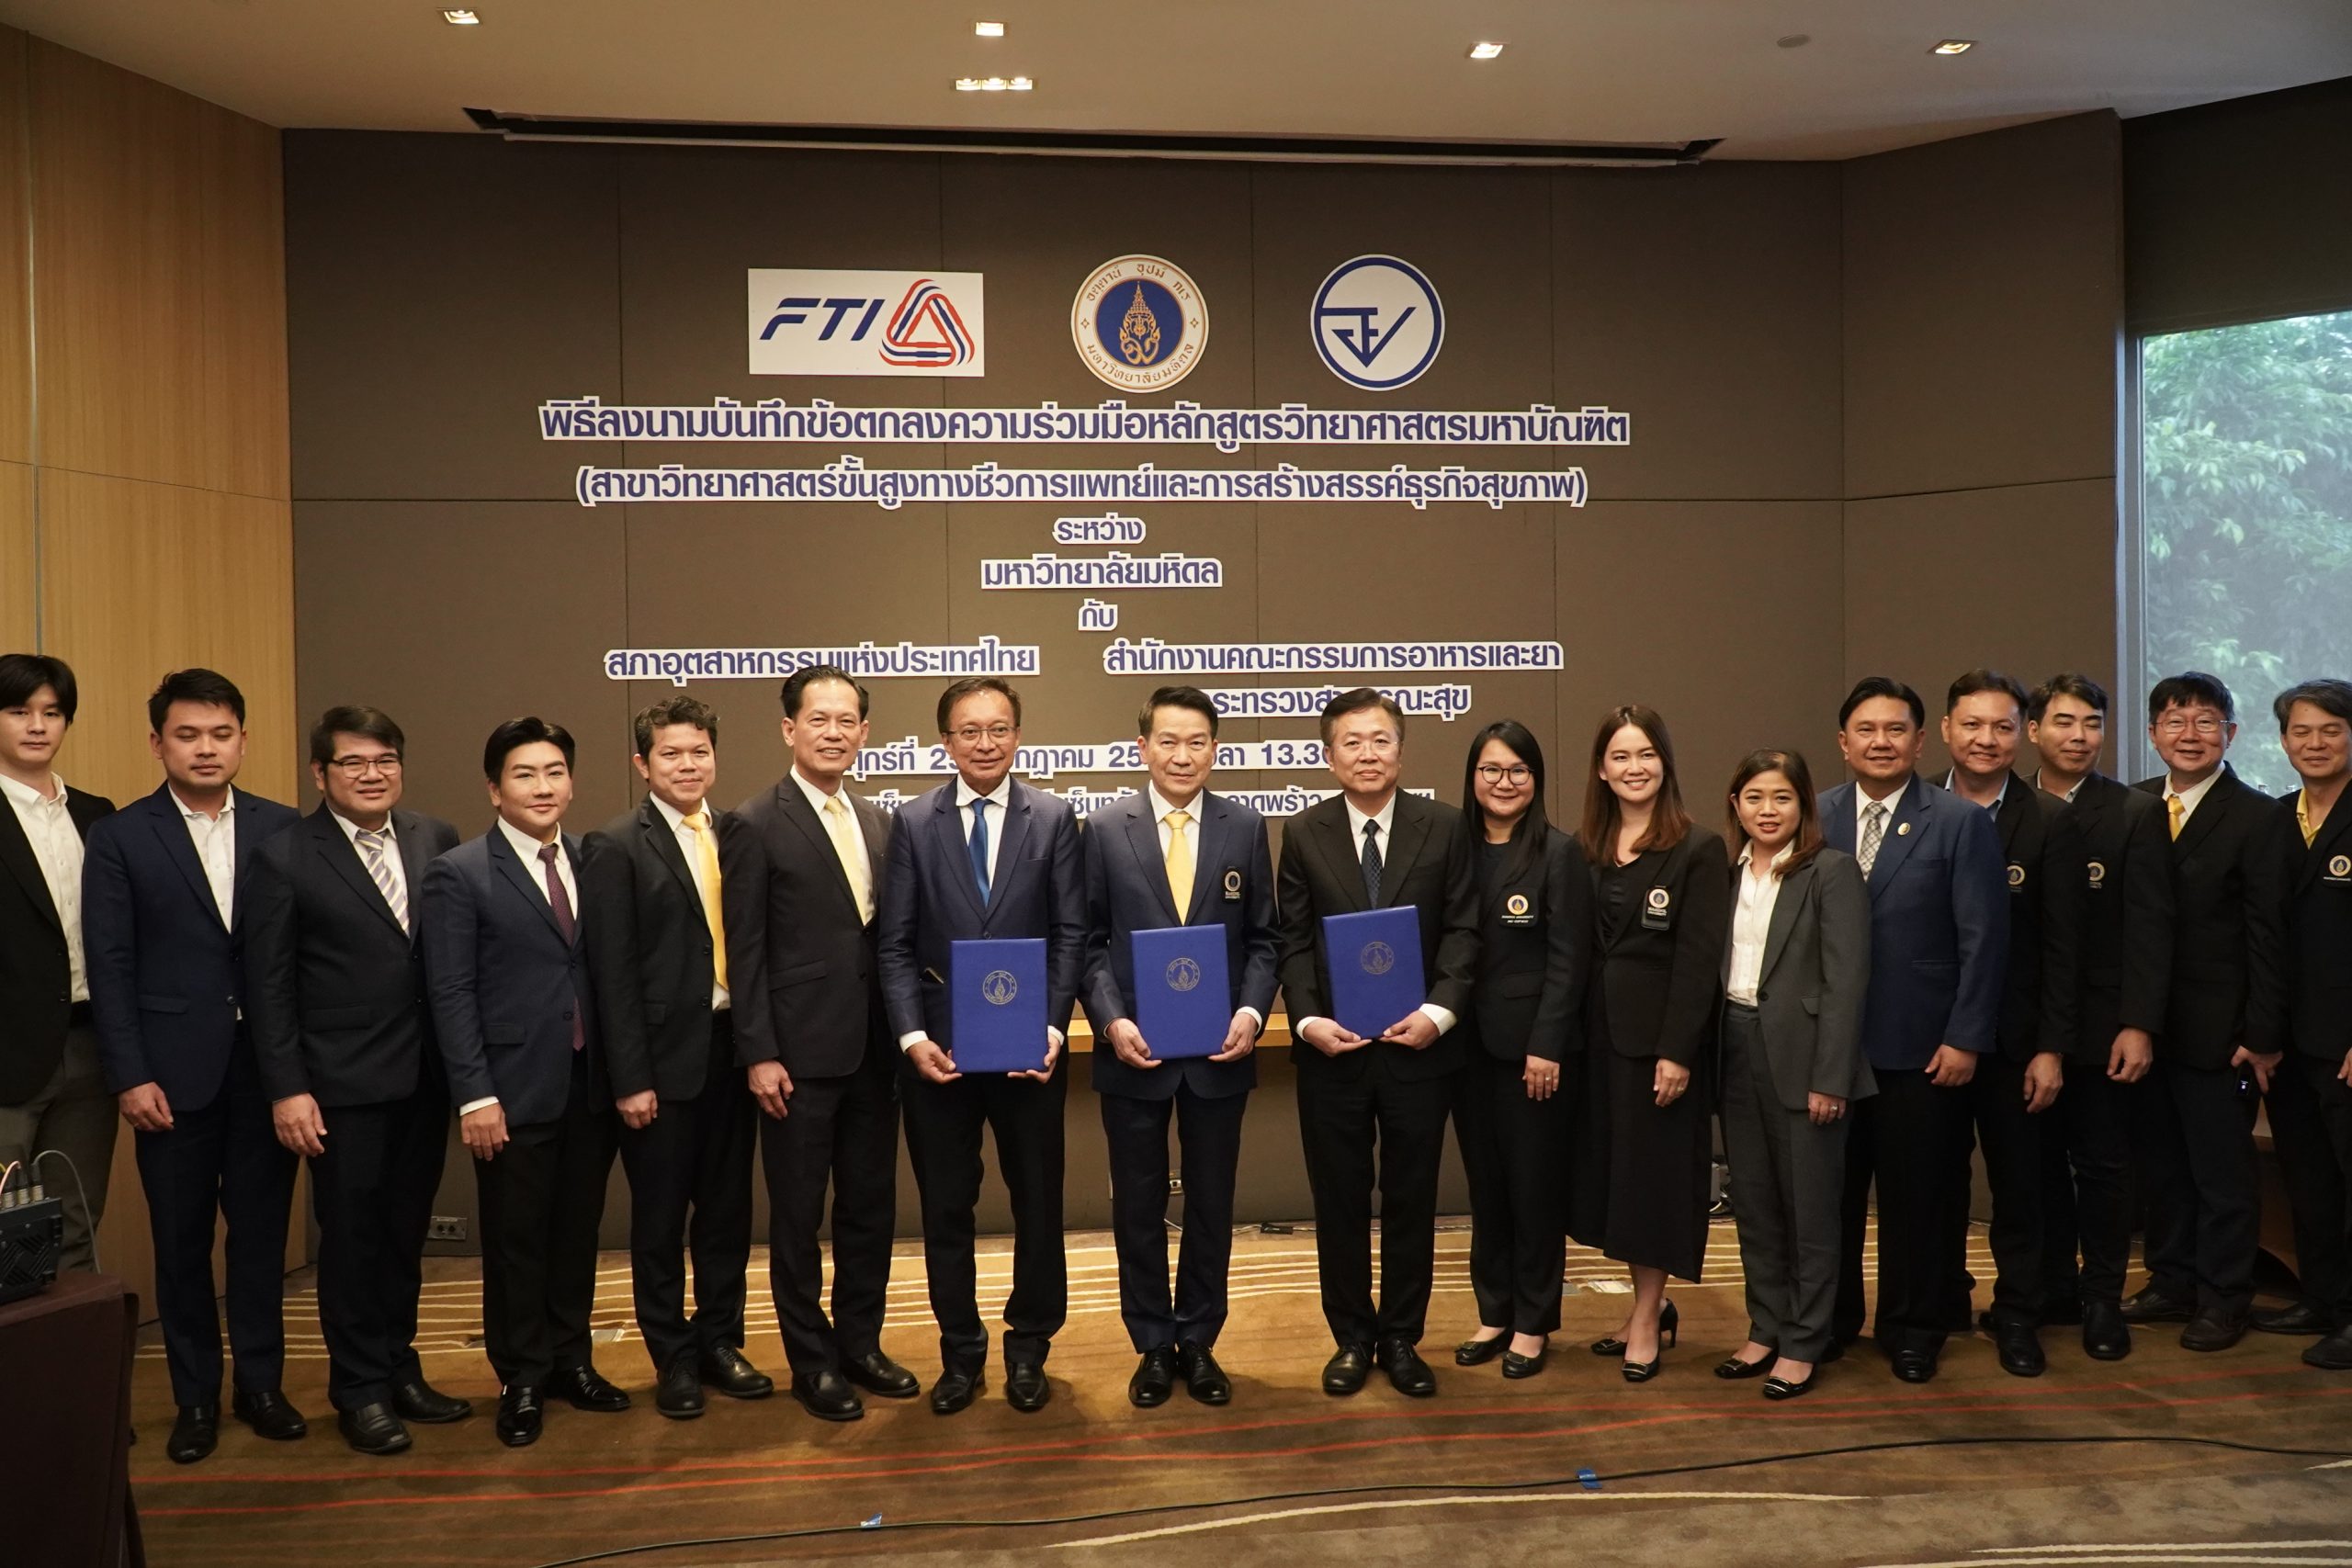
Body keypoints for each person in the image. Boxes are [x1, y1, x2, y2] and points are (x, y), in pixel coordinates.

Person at [83, 669, 302, 1463]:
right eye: (187, 734)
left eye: (220, 733)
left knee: (261, 1237)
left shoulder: (284, 827)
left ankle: (262, 1386)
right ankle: (196, 1398)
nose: (205, 748)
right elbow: (109, 963)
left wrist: (298, 1073)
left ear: (243, 739)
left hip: (266, 1070)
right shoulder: (121, 836)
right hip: (169, 1075)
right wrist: (128, 1073)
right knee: (180, 1245)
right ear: (158, 743)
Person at [243, 706, 469, 1455]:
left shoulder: (434, 836)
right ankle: (359, 1388)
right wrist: (288, 1088)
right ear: (320, 772)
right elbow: (269, 986)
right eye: (353, 762)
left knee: (404, 1234)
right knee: (351, 1239)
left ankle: (401, 1366)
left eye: (385, 760)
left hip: (424, 1076)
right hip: (339, 1085)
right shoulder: (284, 855)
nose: (372, 774)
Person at [877, 677, 1084, 1416]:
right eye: (970, 730)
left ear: (1018, 736)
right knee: (946, 1209)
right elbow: (895, 944)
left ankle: (1030, 1349)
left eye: (999, 728)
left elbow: (1070, 935)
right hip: (940, 1057)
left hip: (1032, 1055)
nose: (986, 743)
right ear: (946, 741)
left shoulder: (1054, 818)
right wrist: (912, 1037)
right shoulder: (913, 822)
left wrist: (1052, 1027)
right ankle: (960, 1353)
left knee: (1039, 1204)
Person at [422, 717, 626, 1448]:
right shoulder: (460, 871)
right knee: (516, 1241)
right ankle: (522, 1377)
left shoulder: (592, 858)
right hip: (508, 1090)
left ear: (571, 781)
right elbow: (450, 991)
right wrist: (475, 1094)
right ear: (494, 788)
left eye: (554, 772)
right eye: (524, 774)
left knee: (576, 1232)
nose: (543, 787)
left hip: (587, 1082)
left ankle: (572, 1359)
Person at [724, 667, 916, 1421]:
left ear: (864, 732)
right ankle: (811, 1361)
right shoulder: (753, 821)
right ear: (789, 729)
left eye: (847, 721)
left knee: (869, 1208)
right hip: (796, 1058)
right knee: (798, 1218)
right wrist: (759, 1052)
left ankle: (860, 1344)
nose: (833, 732)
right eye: (818, 719)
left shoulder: (880, 820)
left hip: (875, 1051)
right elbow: (744, 950)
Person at [1276, 688, 1479, 1399]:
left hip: (1418, 1049)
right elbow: (1293, 940)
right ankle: (1351, 1337)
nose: (1368, 753)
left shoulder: (1445, 826)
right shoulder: (1304, 832)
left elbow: (1464, 929)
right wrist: (1308, 1020)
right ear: (1329, 756)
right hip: (1333, 1051)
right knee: (1338, 1197)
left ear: (1401, 748)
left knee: (1411, 1197)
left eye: (1381, 739)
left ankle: (1400, 1337)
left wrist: (1439, 1013)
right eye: (1352, 742)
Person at [1080, 685, 1278, 1407]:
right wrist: (1111, 1021)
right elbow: (1088, 942)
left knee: (1211, 1202)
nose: (1183, 754)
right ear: (1143, 747)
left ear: (1215, 749)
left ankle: (1198, 1338)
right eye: (1168, 740)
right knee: (1137, 1206)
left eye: (1197, 741)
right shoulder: (1105, 828)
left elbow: (1265, 938)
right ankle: (1151, 1344)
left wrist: (1252, 1012)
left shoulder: (1244, 826)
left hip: (1219, 1054)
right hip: (1134, 1051)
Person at [581, 698, 773, 1422]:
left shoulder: (737, 833)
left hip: (731, 1052)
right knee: (660, 1222)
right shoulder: (615, 844)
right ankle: (674, 1357)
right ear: (643, 763)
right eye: (671, 753)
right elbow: (612, 974)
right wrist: (630, 1078)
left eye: (699, 752)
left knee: (726, 1214)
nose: (687, 765)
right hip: (659, 1065)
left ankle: (721, 1340)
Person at [1821, 676, 2006, 1383]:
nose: (1881, 741)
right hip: (1832, 1050)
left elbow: (1983, 940)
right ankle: (1830, 1320)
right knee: (1832, 1197)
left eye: (1895, 729)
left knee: (1917, 1201)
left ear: (1921, 740)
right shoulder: (1814, 814)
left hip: (1923, 1049)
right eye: (1866, 729)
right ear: (1843, 742)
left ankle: (1912, 1329)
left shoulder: (1959, 821)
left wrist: (1965, 1037)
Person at [1567, 705, 1728, 1382]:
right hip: (1595, 1043)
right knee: (1616, 1182)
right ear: (1602, 771)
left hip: (1659, 1048)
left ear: (1665, 762)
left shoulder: (1698, 849)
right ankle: (1648, 1307)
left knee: (1653, 1184)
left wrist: (1677, 1051)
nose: (1635, 768)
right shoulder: (1585, 848)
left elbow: (1699, 962)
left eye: (1646, 755)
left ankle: (1645, 1316)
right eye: (1621, 757)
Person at [2125, 672, 2285, 1349]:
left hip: (2222, 1033)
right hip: (2144, 1027)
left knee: (2222, 1173)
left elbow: (2268, 934)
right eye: (2174, 720)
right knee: (2161, 1165)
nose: (2189, 734)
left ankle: (2224, 1297)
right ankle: (2172, 1280)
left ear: (2231, 732)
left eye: (2205, 721)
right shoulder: (2132, 804)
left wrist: (2261, 1031)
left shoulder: (2259, 815)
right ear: (2152, 732)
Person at [1714, 749, 1871, 1401]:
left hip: (1807, 1058)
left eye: (1781, 797)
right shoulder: (1726, 872)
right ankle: (1766, 1326)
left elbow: (1846, 982)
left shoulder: (1831, 871)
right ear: (1736, 804)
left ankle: (1804, 1341)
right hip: (1736, 1044)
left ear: (1803, 803)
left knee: (1810, 1210)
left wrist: (1830, 1077)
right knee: (1754, 1203)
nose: (1767, 809)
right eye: (1754, 797)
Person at [2032, 672, 2174, 1360]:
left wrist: (2138, 1023)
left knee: (2104, 1167)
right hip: (2026, 1025)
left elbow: (2151, 927)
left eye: (2092, 723)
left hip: (2104, 1025)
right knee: (2034, 1168)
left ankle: (2102, 1301)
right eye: (2064, 722)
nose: (2079, 736)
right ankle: (2051, 1288)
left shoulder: (2133, 812)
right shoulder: (2010, 807)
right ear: (2034, 730)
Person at [1448, 720, 1589, 1379]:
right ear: (1472, 776)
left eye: (1518, 770)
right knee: (1488, 1189)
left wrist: (1547, 1044)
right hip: (1461, 1047)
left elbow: (1569, 960)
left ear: (1536, 779)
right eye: (1491, 769)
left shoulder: (1559, 853)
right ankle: (1494, 1310)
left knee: (1534, 1191)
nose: (1503, 782)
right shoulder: (1451, 846)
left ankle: (1533, 1321)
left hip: (1532, 1054)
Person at [1937, 670, 2061, 1375]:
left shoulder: (2049, 819)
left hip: (2017, 1040)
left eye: (2003, 726)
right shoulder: (1917, 808)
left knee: (2019, 1186)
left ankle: (2017, 1312)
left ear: (2024, 734)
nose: (1986, 739)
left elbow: (2065, 947)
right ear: (1946, 730)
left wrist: (2050, 1047)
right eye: (1972, 724)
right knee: (1935, 1182)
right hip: (1930, 1038)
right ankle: (1943, 1298)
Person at [0, 655, 117, 1278]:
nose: (37, 725)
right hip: (9, 1053)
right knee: (6, 1232)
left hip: (91, 1047)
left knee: (77, 1220)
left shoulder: (98, 815)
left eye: (51, 712)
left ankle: (71, 1342)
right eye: (19, 711)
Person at [2267, 678, 2352, 1371]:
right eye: (2302, 731)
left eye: (2331, 730)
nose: (2315, 743)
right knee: (2310, 1177)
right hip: (2289, 1039)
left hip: (2346, 1039)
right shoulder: (2276, 817)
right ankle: (2322, 1298)